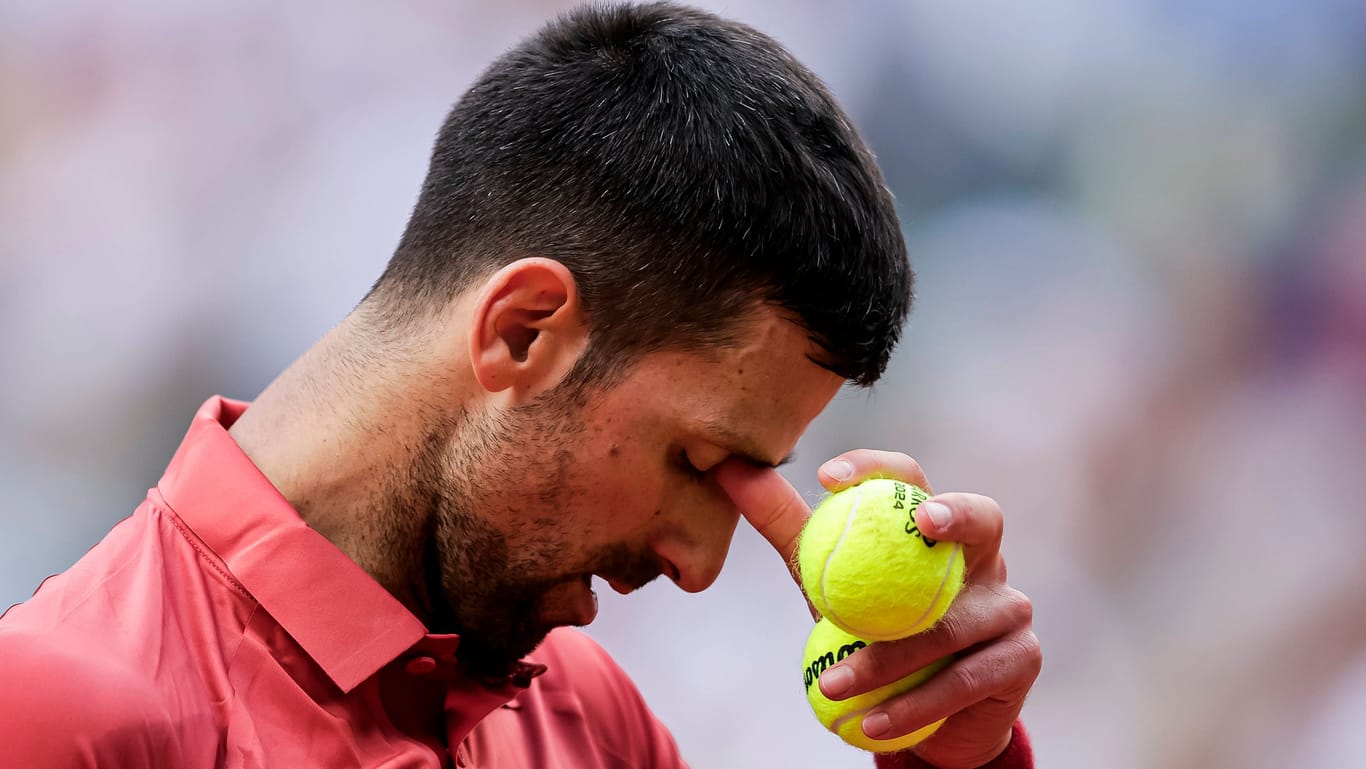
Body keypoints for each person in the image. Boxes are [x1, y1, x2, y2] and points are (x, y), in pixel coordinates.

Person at [0, 3, 1040, 767]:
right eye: (702, 462)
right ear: (522, 329)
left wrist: (956, 761)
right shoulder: (56, 713)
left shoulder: (591, 721)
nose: (699, 564)